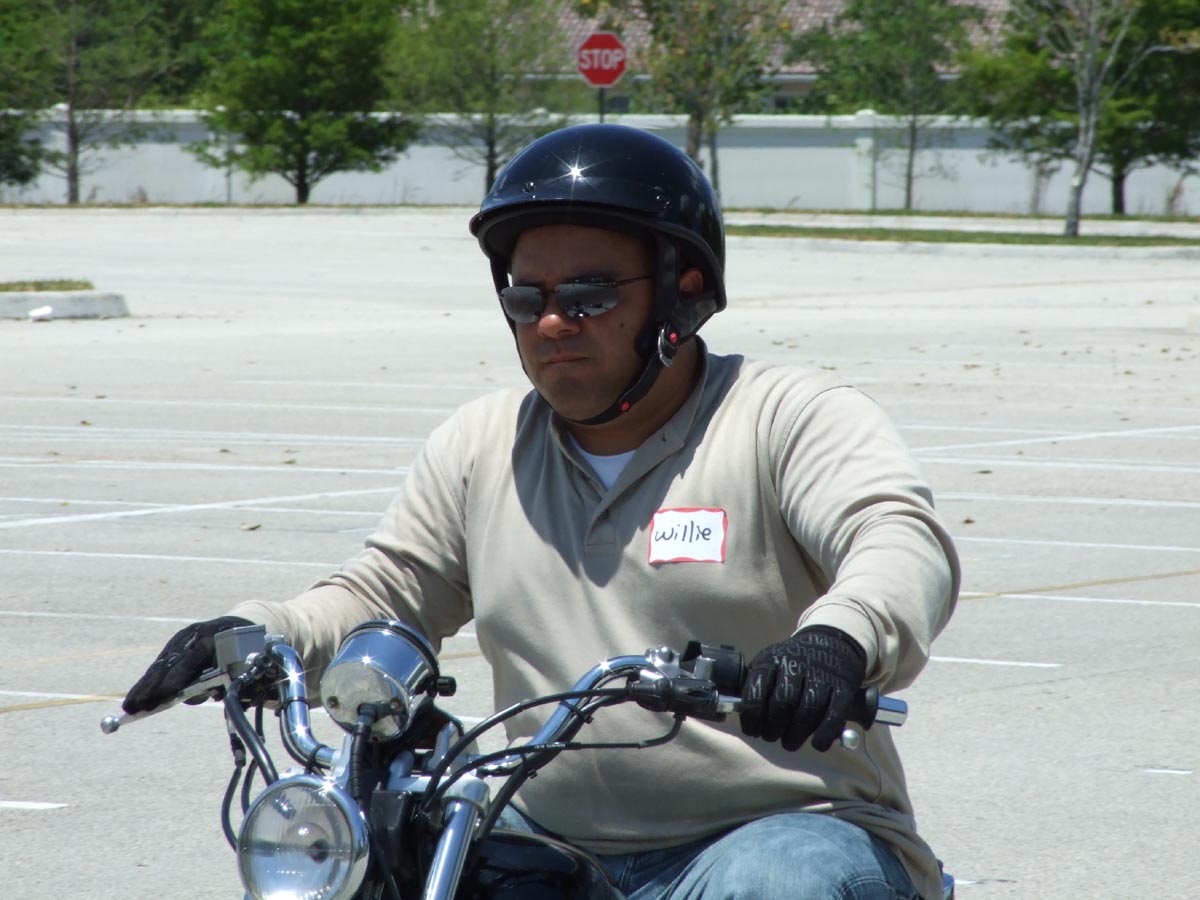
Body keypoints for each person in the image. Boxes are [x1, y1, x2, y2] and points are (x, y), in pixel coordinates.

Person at [124, 123, 958, 900]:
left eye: (589, 295)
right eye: (528, 299)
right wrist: (252, 633)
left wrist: (835, 641)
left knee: (783, 880)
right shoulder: (483, 443)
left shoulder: (784, 417)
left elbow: (895, 538)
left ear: (684, 291)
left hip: (775, 827)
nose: (554, 323)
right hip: (545, 835)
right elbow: (384, 593)